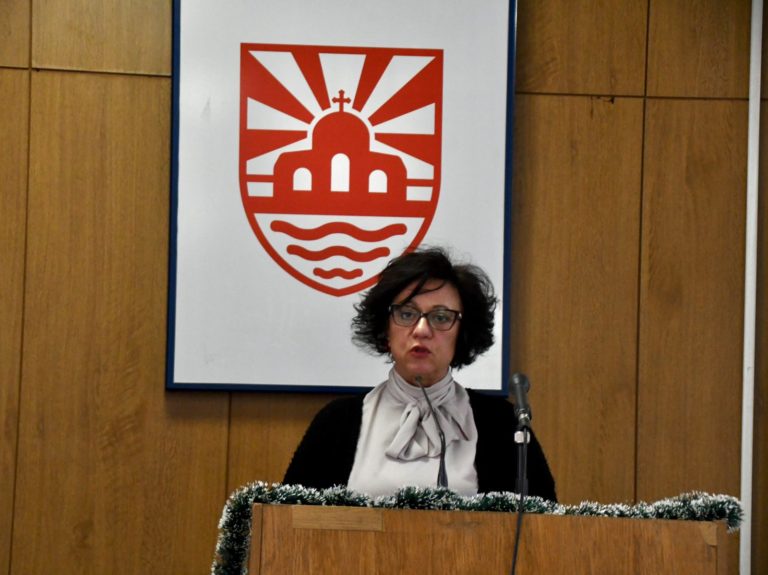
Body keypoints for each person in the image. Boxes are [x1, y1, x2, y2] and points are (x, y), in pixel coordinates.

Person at [283, 247, 556, 500]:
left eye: (441, 317)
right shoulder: (337, 423)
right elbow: (290, 521)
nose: (422, 330)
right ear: (385, 329)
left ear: (463, 333)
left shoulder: (502, 425)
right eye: (406, 314)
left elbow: (542, 525)